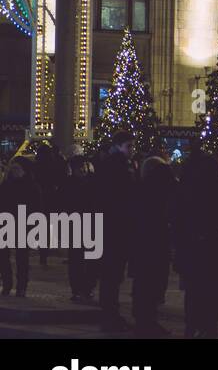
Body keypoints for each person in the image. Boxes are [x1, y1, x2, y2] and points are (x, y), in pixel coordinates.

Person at [173, 152, 218, 338]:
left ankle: (196, 328)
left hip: (193, 250)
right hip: (217, 249)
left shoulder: (186, 187)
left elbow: (177, 220)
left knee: (195, 294)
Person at [93, 131, 137, 332]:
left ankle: (109, 313)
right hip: (116, 227)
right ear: (119, 146)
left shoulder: (111, 164)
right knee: (112, 274)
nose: (132, 150)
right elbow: (124, 197)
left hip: (109, 226)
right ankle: (110, 314)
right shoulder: (118, 166)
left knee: (110, 274)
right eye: (129, 146)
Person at [130, 156, 176, 336]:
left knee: (144, 283)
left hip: (144, 243)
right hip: (155, 242)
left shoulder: (141, 189)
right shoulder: (162, 189)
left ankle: (143, 319)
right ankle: (147, 320)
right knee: (152, 282)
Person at [0, 157, 41, 297]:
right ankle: (7, 284)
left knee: (22, 257)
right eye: (13, 169)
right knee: (4, 256)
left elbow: (36, 207)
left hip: (23, 224)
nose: (15, 171)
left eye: (18, 169)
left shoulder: (31, 186)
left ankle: (21, 286)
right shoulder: (6, 185)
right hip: (6, 223)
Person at [62, 156, 97, 303]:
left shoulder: (91, 182)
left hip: (89, 223)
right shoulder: (70, 184)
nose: (82, 169)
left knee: (89, 260)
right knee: (77, 259)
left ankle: (86, 288)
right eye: (79, 167)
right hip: (76, 224)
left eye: (84, 166)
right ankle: (79, 289)